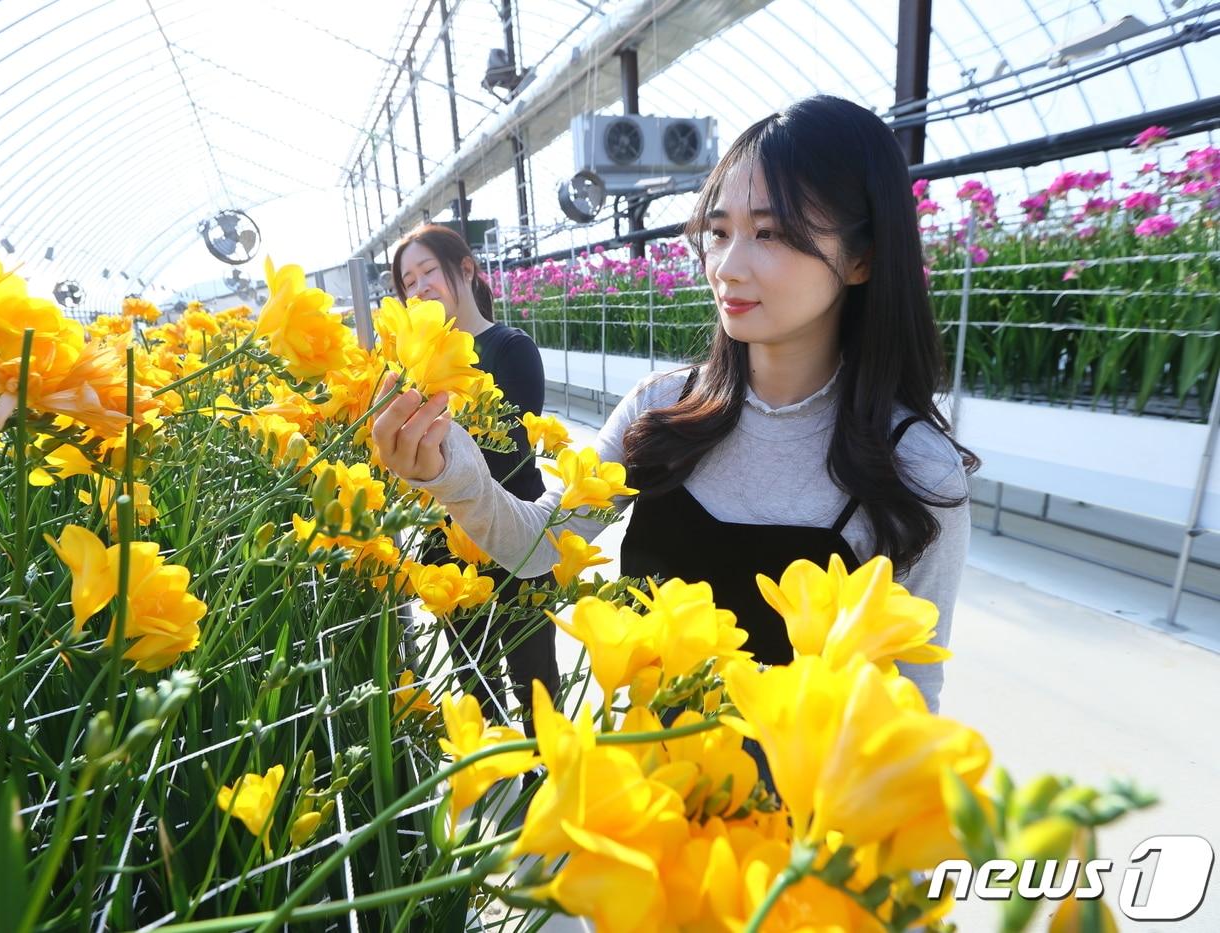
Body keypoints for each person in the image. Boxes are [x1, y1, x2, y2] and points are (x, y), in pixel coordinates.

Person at [373, 96, 978, 716]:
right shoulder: (660, 411)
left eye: (770, 233)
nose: (727, 267)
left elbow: (909, 697)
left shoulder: (916, 471)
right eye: (718, 232)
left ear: (861, 257)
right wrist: (449, 469)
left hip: (792, 809)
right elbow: (538, 547)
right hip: (644, 791)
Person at [390, 223, 561, 735]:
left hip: (516, 533)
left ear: (465, 269)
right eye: (408, 282)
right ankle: (492, 780)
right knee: (472, 673)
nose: (419, 288)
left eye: (427, 272)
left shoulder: (510, 348)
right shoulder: (410, 363)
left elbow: (507, 448)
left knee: (534, 675)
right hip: (445, 538)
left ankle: (544, 773)